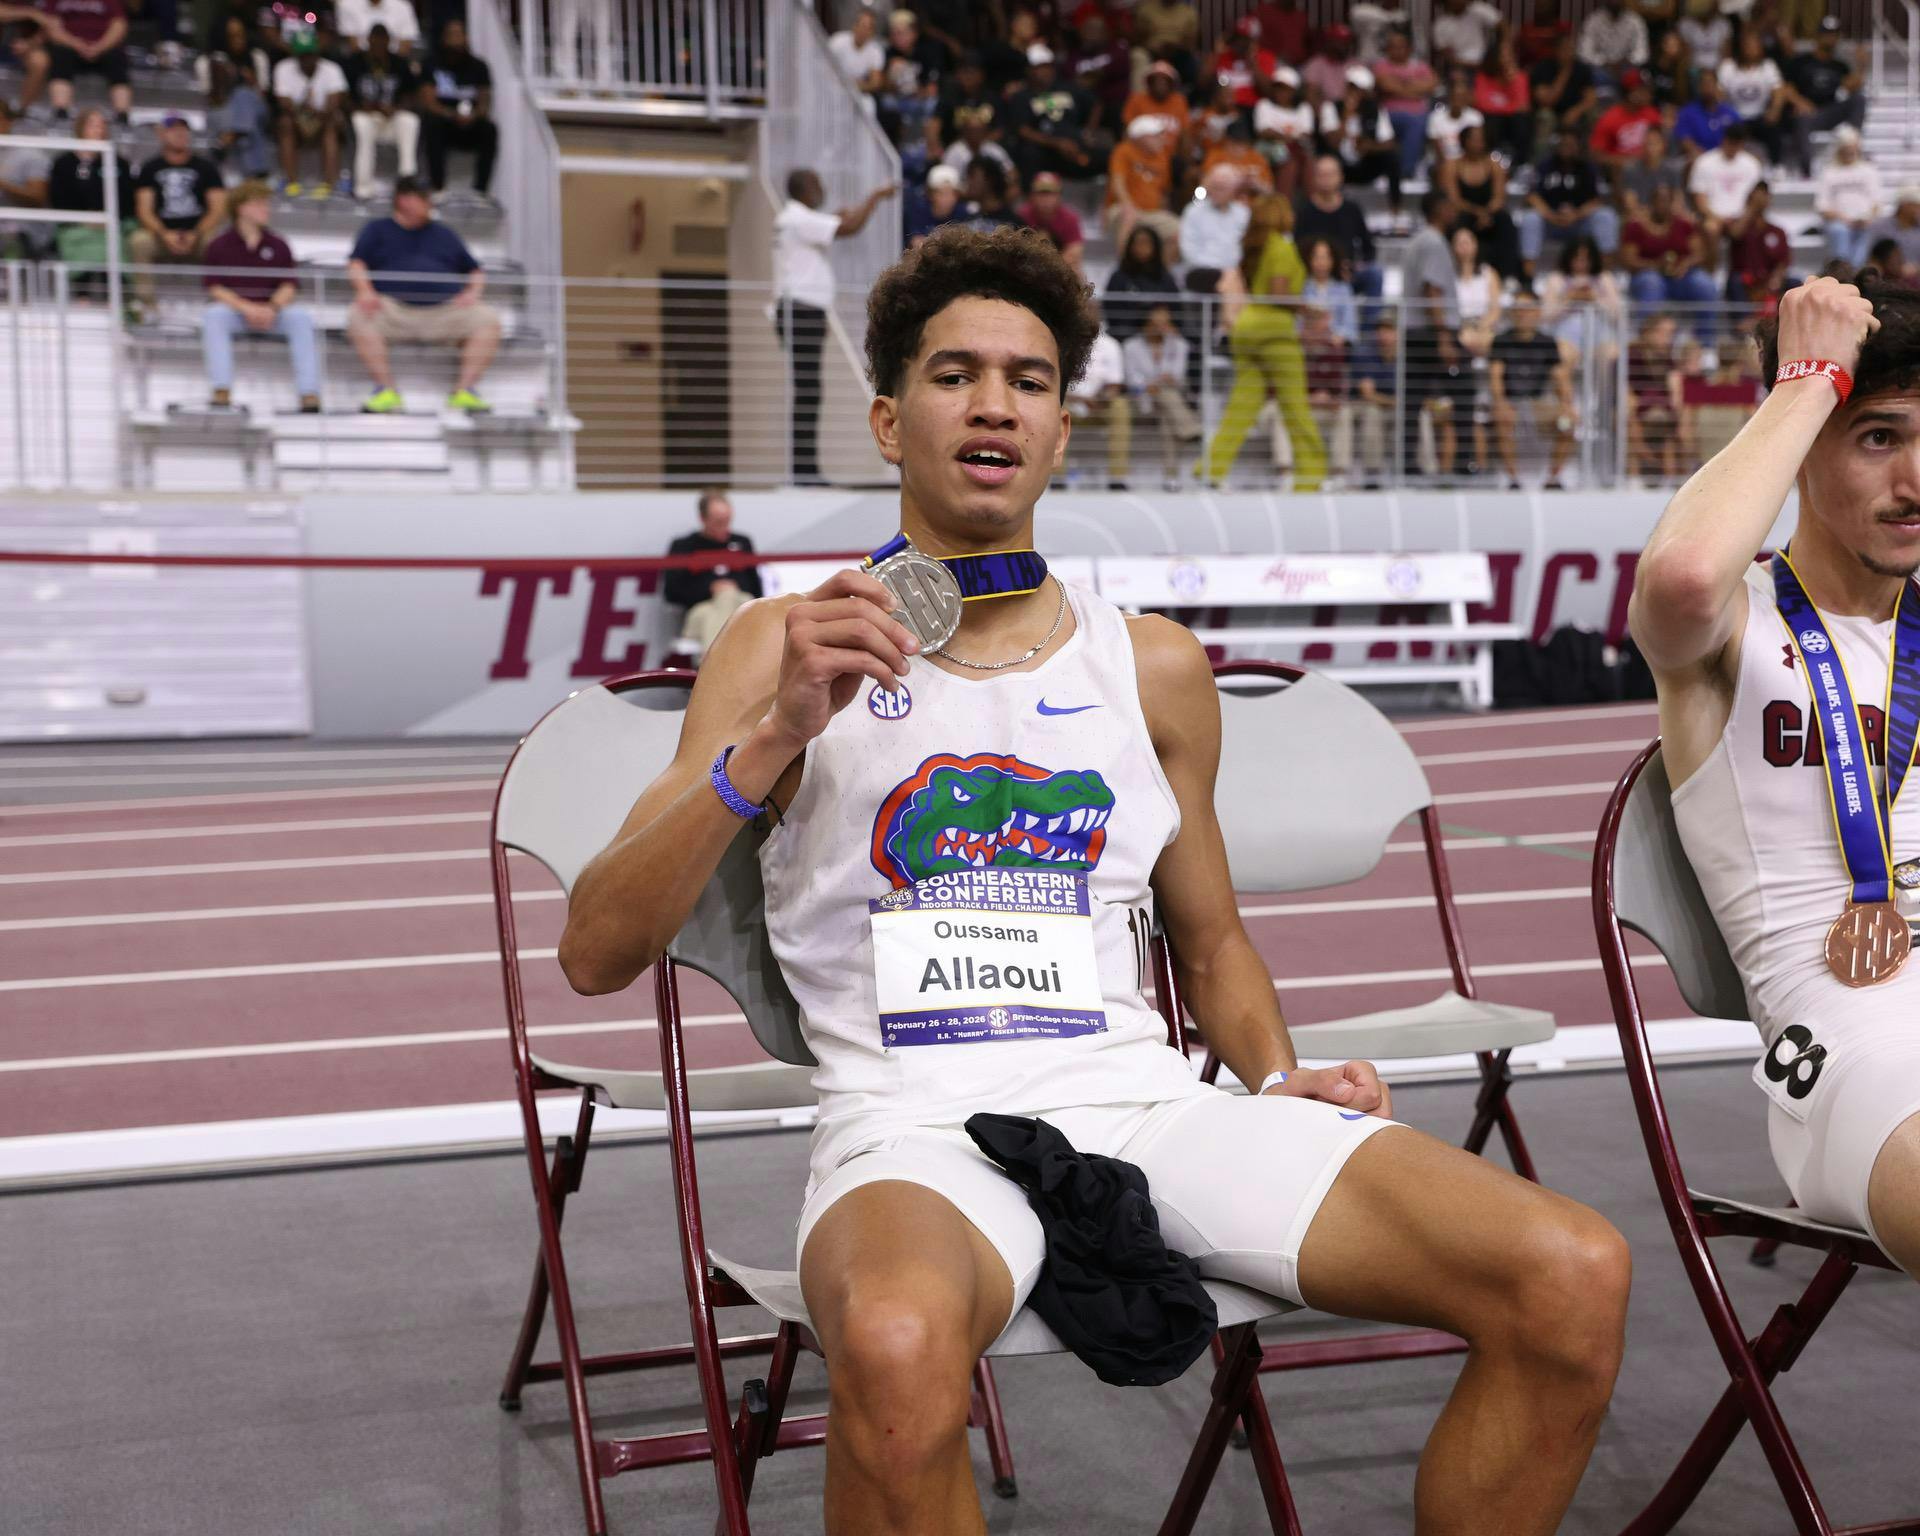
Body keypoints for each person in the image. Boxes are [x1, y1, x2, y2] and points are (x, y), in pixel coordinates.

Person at [559, 226, 1631, 1530]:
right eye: (955, 375)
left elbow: (1214, 941)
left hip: (1145, 1105)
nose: (995, 402)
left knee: (1570, 1270)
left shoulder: (1156, 666)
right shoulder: (778, 648)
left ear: (1063, 428)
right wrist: (778, 728)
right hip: (909, 1126)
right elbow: (597, 951)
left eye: (1029, 378)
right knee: (894, 1355)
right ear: (892, 420)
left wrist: (1277, 1076)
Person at [1631, 272, 1920, 1292]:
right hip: (1856, 1052)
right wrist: (1807, 380)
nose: (1915, 481)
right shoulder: (1730, 627)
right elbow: (1680, 579)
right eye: (1878, 437)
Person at [773, 167, 897, 483]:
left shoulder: (795, 219)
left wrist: (839, 216)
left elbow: (837, 222)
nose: (822, 189)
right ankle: (804, 471)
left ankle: (805, 469)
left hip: (802, 311)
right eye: (817, 184)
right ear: (803, 188)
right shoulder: (798, 218)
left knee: (808, 389)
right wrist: (876, 197)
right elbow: (849, 227)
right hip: (800, 310)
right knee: (808, 390)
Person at [345, 175, 500, 414]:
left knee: (487, 319)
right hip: (393, 311)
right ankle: (386, 390)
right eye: (424, 199)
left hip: (445, 312)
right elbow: (356, 265)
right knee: (357, 315)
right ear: (404, 200)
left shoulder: (445, 234)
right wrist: (365, 292)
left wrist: (473, 293)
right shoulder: (376, 230)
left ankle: (464, 391)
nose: (430, 204)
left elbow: (475, 270)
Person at [1202, 194, 1324, 489]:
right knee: (1296, 407)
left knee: (1241, 407)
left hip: (1246, 327)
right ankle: (1312, 475)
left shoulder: (1254, 248)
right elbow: (1278, 293)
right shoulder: (1281, 247)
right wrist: (1308, 310)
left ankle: (1210, 471)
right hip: (1275, 332)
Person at [199, 179, 321, 413]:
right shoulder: (218, 245)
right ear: (241, 208)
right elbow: (214, 287)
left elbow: (289, 284)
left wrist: (272, 308)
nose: (266, 209)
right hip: (236, 312)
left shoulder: (278, 244)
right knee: (214, 316)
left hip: (271, 313)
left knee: (301, 318)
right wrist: (246, 308)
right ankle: (221, 390)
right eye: (259, 204)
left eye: (266, 204)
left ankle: (309, 393)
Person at [129, 114, 225, 311]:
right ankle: (147, 305)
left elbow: (218, 209)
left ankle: (219, 301)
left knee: (220, 243)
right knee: (139, 241)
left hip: (198, 233)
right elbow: (144, 210)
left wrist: (195, 234)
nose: (180, 134)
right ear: (162, 135)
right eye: (174, 130)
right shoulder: (150, 168)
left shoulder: (206, 167)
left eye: (184, 129)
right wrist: (164, 234)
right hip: (161, 234)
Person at [1490, 291, 1574, 487]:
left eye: (1527, 309)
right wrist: (1501, 404)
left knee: (1567, 424)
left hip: (1539, 405)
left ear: (1537, 312)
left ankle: (1553, 478)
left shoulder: (1547, 342)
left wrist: (1566, 405)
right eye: (1518, 309)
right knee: (1502, 421)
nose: (1522, 313)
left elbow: (1560, 376)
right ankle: (1513, 479)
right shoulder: (1501, 340)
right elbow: (1495, 376)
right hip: (1511, 403)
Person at [663, 487, 763, 649]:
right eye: (718, 522)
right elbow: (671, 592)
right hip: (700, 611)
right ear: (703, 519)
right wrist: (710, 589)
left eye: (727, 521)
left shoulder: (742, 542)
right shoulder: (684, 546)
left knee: (734, 600)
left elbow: (757, 589)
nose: (724, 527)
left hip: (740, 603)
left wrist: (730, 589)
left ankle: (713, 670)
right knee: (718, 610)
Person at [46, 106, 132, 281]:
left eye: (102, 125)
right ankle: (81, 293)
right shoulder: (64, 163)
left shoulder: (118, 163)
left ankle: (115, 293)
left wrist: (110, 218)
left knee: (115, 240)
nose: (98, 129)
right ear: (80, 128)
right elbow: (58, 198)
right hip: (74, 224)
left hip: (112, 223)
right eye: (92, 125)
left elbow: (127, 198)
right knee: (78, 241)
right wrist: (83, 219)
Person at [1522, 128, 1619, 276]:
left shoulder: (1587, 168)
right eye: (1564, 144)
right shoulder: (1545, 165)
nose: (1567, 148)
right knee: (1530, 219)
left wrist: (1576, 215)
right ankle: (1528, 277)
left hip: (1579, 222)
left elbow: (1596, 200)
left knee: (1606, 216)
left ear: (1578, 147)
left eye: (1571, 144)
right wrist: (1551, 215)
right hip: (1551, 222)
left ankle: (1605, 276)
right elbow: (1532, 196)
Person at [1781, 15, 1865, 179]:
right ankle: (1806, 170)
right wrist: (1800, 102)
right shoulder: (1801, 61)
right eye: (1826, 34)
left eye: (1833, 34)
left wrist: (1861, 66)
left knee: (1859, 99)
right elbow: (1786, 87)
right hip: (1807, 112)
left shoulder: (1839, 65)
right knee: (1801, 119)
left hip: (1829, 111)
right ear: (1817, 36)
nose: (1830, 38)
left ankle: (1852, 143)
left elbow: (1851, 86)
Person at [420, 21, 497, 199]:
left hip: (469, 123)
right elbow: (428, 102)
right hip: (444, 121)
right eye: (450, 34)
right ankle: (437, 187)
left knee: (489, 129)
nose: (455, 39)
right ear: (443, 38)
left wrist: (473, 116)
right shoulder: (432, 64)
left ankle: (480, 191)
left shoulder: (479, 66)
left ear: (466, 37)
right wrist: (452, 114)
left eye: (458, 34)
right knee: (432, 124)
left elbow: (484, 102)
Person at [1623, 181, 1717, 325]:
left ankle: (1706, 343)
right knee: (1651, 283)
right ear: (1651, 202)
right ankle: (1647, 341)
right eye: (1658, 200)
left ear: (1672, 202)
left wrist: (1686, 263)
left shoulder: (1684, 224)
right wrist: (1654, 265)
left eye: (1666, 200)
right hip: (1648, 274)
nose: (1662, 205)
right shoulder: (1636, 225)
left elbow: (1700, 253)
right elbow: (1629, 261)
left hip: (1681, 276)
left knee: (1705, 285)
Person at [1121, 302, 1200, 473]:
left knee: (1167, 416)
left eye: (1164, 323)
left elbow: (1177, 376)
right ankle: (1191, 428)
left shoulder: (1178, 345)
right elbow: (1132, 379)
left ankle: (1171, 474)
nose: (1160, 328)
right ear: (1146, 323)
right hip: (1141, 399)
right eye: (1156, 324)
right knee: (1167, 397)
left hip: (1167, 400)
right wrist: (1151, 385)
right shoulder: (1131, 346)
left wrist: (1156, 382)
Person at [346, 23, 421, 199]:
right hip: (366, 116)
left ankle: (407, 182)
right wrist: (364, 107)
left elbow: (411, 96)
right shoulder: (355, 62)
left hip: (391, 117)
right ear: (368, 41)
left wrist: (396, 108)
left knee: (410, 121)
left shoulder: (399, 63)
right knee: (360, 123)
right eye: (375, 40)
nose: (378, 44)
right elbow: (345, 97)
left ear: (389, 42)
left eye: (382, 40)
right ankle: (363, 187)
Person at [1008, 43, 1099, 185]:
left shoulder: (1068, 88)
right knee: (1029, 153)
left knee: (1104, 153)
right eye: (1039, 67)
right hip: (1045, 145)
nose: (1045, 72)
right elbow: (1023, 130)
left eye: (1047, 66)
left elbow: (1095, 104)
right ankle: (1032, 194)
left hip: (1074, 141)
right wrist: (1057, 144)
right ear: (1029, 70)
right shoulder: (1022, 96)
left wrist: (1089, 130)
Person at [272, 30, 347, 198]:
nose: (307, 59)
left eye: (310, 54)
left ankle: (328, 184)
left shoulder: (332, 69)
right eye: (302, 55)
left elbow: (334, 104)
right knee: (285, 123)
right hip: (296, 121)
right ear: (295, 54)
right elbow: (284, 103)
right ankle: (291, 183)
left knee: (332, 124)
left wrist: (313, 115)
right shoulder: (283, 68)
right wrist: (305, 115)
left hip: (324, 120)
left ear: (317, 53)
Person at [1443, 121, 1521, 279]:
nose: (1479, 143)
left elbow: (1499, 197)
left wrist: (1486, 213)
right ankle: (1459, 272)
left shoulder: (1494, 166)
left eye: (1481, 139)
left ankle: (1508, 275)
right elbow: (1454, 199)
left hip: (1490, 214)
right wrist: (1477, 212)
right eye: (1475, 139)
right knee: (1458, 220)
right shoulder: (1452, 166)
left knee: (1505, 220)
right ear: (1464, 141)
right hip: (1464, 213)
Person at [1293, 152, 1377, 290]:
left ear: (1340, 177)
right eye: (1322, 175)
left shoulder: (1352, 209)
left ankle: (1372, 312)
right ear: (1314, 178)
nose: (1326, 179)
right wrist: (1319, 267)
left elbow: (1368, 247)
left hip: (1348, 270)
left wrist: (1354, 266)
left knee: (1374, 274)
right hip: (1313, 274)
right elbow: (1298, 248)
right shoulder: (1303, 210)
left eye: (1330, 174)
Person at [38, 0, 132, 122]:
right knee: (60, 56)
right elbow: (51, 26)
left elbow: (119, 24)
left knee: (117, 58)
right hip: (68, 46)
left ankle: (122, 115)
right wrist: (76, 44)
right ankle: (60, 112)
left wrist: (100, 46)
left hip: (104, 46)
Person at [1105, 114, 1179, 258]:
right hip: (1122, 208)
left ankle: (1158, 274)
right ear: (1141, 137)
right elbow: (1117, 182)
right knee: (1129, 217)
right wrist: (1127, 205)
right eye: (1156, 136)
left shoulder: (1162, 156)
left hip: (1152, 212)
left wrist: (1165, 211)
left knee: (1179, 232)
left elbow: (1164, 191)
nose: (1162, 139)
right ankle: (1125, 271)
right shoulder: (1123, 151)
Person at [1067, 324, 1132, 486]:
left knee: (1120, 406)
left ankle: (1117, 478)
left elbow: (1114, 386)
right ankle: (1057, 478)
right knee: (1053, 408)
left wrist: (1102, 399)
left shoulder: (1110, 345)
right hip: (1068, 403)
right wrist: (1081, 400)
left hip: (1099, 406)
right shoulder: (1059, 341)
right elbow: (1051, 384)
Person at [1374, 28, 1439, 181]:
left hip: (1417, 114)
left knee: (1417, 123)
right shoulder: (1381, 65)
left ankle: (1405, 173)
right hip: (1387, 113)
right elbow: (1385, 85)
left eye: (1401, 46)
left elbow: (1432, 84)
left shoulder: (1421, 66)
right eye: (1392, 46)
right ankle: (1381, 171)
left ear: (1409, 48)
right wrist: (1415, 89)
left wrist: (1399, 87)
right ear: (1387, 49)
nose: (1397, 50)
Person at [1717, 27, 1787, 167]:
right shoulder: (1728, 66)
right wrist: (1726, 114)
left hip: (1760, 116)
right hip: (1735, 117)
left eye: (1755, 44)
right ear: (1741, 46)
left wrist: (1774, 111)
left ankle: (1776, 166)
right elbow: (1719, 95)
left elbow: (1779, 91)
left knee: (1774, 128)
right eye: (1748, 44)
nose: (1751, 48)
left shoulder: (1768, 66)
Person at [1686, 119, 1763, 243]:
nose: (1733, 147)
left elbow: (1757, 197)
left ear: (1742, 143)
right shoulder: (1704, 162)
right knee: (1710, 228)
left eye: (1737, 143)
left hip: (1743, 217)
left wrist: (1744, 218)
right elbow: (1700, 199)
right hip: (1713, 216)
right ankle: (1711, 263)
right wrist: (1719, 219)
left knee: (1754, 228)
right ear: (1724, 140)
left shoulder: (1752, 164)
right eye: (1730, 142)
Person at [1177, 164, 1248, 297]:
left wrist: (1228, 271)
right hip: (1200, 271)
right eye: (1215, 187)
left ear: (1233, 190)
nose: (1217, 192)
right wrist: (1216, 269)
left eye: (1222, 188)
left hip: (1233, 273)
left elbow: (1244, 246)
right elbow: (1187, 247)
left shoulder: (1243, 214)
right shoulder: (1193, 211)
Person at [1818, 126, 1883, 269]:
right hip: (1838, 222)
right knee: (1840, 230)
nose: (1849, 151)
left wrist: (1866, 218)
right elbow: (1822, 207)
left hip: (1864, 222)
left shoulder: (1869, 171)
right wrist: (1846, 219)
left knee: (1868, 230)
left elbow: (1876, 204)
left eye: (1852, 147)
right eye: (1846, 147)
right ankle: (1843, 271)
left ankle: (1856, 272)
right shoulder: (1829, 172)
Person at [1102, 224, 1180, 342]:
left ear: (1155, 247)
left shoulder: (1164, 276)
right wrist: (1144, 318)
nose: (1142, 247)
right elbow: (1111, 311)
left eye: (1146, 243)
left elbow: (1176, 308)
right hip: (1126, 335)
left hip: (1160, 334)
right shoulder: (1119, 276)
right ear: (1130, 246)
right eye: (1138, 243)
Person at [1726, 179, 1791, 312]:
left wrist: (1776, 278)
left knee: (1795, 283)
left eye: (1765, 195)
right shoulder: (1737, 224)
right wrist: (1752, 207)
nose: (1762, 199)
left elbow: (1783, 261)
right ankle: (1743, 322)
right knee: (1736, 282)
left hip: (1768, 281)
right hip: (1745, 282)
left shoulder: (1777, 231)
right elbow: (1734, 234)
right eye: (1758, 195)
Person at [206, 54, 271, 180]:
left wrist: (225, 140)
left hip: (250, 164)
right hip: (225, 165)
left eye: (224, 69)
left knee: (242, 96)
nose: (221, 73)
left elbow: (247, 126)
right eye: (216, 70)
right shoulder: (212, 103)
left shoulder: (246, 94)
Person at [1475, 35, 1534, 166]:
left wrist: (1513, 81)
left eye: (1510, 54)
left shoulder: (1520, 77)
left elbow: (1524, 106)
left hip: (1512, 120)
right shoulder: (1483, 77)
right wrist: (1510, 108)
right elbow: (1482, 104)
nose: (1507, 58)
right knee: (1493, 120)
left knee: (1522, 120)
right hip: (1492, 119)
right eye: (1503, 54)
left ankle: (1521, 165)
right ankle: (1489, 162)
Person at [0, 98, 48, 259]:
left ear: (8, 121)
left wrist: (3, 185)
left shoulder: (28, 154)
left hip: (20, 229)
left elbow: (37, 198)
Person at [1589, 68, 1661, 173]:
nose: (1649, 94)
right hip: (1621, 173)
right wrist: (1623, 162)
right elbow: (1596, 155)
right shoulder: (1610, 118)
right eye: (1643, 90)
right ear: (1629, 93)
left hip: (1650, 170)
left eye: (1648, 90)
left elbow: (1662, 146)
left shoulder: (1652, 114)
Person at [1530, 27, 1598, 138]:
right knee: (1545, 117)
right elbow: (1547, 100)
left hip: (1574, 111)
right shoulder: (1542, 68)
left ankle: (1589, 153)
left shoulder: (1582, 68)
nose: (1569, 53)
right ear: (1556, 50)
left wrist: (1575, 111)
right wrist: (1564, 73)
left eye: (1571, 49)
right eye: (1565, 49)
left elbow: (1591, 99)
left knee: (1593, 114)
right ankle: (1540, 155)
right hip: (1552, 112)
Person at [1017, 170, 1084, 275]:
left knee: (1076, 270)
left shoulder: (1070, 218)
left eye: (1050, 193)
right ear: (1032, 195)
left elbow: (1074, 252)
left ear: (1059, 196)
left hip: (1060, 267)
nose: (1045, 199)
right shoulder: (1021, 216)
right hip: (1028, 266)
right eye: (1041, 193)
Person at [1300, 236, 1358, 343]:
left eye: (1325, 257)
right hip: (1305, 344)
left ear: (1333, 260)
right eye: (1316, 257)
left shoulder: (1343, 289)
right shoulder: (1300, 287)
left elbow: (1350, 326)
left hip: (1332, 346)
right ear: (1309, 259)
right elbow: (1296, 323)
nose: (1321, 263)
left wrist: (1334, 335)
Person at [1673, 65, 1739, 158]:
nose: (1707, 88)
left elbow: (1738, 138)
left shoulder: (1730, 112)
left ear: (1717, 86)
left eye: (1710, 83)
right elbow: (1684, 139)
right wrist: (1701, 155)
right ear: (1699, 87)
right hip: (1698, 158)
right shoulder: (1687, 112)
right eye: (1704, 84)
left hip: (1724, 158)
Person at [1578, 0, 1650, 79]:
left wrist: (1625, 62)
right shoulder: (1593, 21)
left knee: (1642, 77)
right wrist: (1605, 62)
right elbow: (1585, 53)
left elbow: (1642, 52)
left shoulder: (1636, 21)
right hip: (1600, 69)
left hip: (1628, 68)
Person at [1426, 71, 1484, 166]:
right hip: (1443, 163)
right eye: (1455, 96)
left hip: (1468, 164)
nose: (1458, 100)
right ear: (1449, 96)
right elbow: (1437, 150)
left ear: (1466, 97)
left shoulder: (1476, 117)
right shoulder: (1435, 117)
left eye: (1461, 96)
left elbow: (1478, 147)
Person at [1433, 0, 1506, 74]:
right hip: (1461, 67)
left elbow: (1502, 25)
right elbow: (1448, 57)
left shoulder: (1477, 8)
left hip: (1486, 62)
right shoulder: (1440, 25)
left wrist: (1502, 50)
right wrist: (1473, 65)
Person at [828, 8, 886, 97]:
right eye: (862, 25)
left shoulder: (875, 50)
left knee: (869, 105)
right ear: (854, 26)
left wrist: (852, 85)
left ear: (873, 32)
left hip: (858, 93)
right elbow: (824, 67)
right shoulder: (837, 41)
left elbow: (875, 83)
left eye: (869, 28)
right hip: (832, 88)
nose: (864, 31)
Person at [905, 163, 964, 246]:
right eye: (941, 193)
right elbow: (917, 243)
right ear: (931, 194)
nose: (947, 198)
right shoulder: (919, 212)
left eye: (951, 193)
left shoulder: (963, 213)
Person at [334, 0, 419, 53]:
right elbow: (352, 44)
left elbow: (406, 44)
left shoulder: (403, 6)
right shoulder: (347, 4)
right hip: (360, 64)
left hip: (395, 64)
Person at [1868, 187, 1920, 272]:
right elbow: (1870, 259)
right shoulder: (1879, 226)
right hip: (1886, 278)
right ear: (1904, 205)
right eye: (1916, 205)